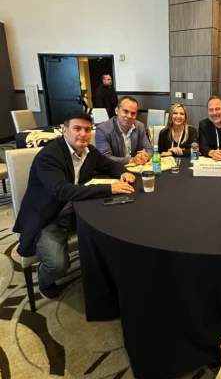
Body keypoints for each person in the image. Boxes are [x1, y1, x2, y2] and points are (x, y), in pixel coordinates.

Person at [14, 111, 135, 299]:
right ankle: (44, 280)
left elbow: (110, 165)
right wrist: (109, 188)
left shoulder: (89, 151)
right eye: (77, 128)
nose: (83, 134)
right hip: (49, 216)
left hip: (78, 210)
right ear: (64, 130)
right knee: (57, 266)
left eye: (87, 129)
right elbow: (62, 191)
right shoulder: (49, 156)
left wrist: (123, 173)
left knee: (118, 229)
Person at [95, 96, 153, 165]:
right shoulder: (103, 129)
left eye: (133, 113)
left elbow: (149, 150)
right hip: (114, 169)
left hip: (136, 168)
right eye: (126, 111)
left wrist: (145, 156)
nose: (129, 116)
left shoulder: (140, 126)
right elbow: (105, 158)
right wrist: (131, 160)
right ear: (117, 111)